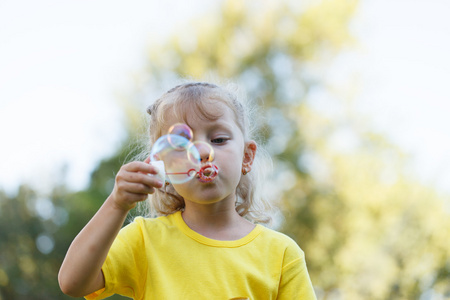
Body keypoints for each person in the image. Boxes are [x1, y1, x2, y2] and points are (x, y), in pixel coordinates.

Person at [58, 82, 317, 299]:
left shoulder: (282, 254)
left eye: (218, 140)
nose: (203, 151)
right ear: (162, 164)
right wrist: (116, 204)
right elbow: (72, 282)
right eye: (181, 146)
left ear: (246, 157)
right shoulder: (145, 240)